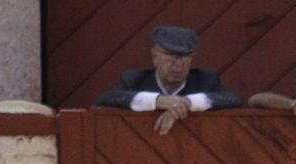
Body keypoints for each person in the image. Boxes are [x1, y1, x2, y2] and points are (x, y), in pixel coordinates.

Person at [96, 26, 243, 134]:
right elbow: (106, 98)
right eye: (171, 56)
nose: (178, 64)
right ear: (155, 57)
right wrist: (158, 101)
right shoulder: (135, 80)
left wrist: (187, 103)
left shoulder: (205, 80)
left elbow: (234, 99)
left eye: (185, 57)